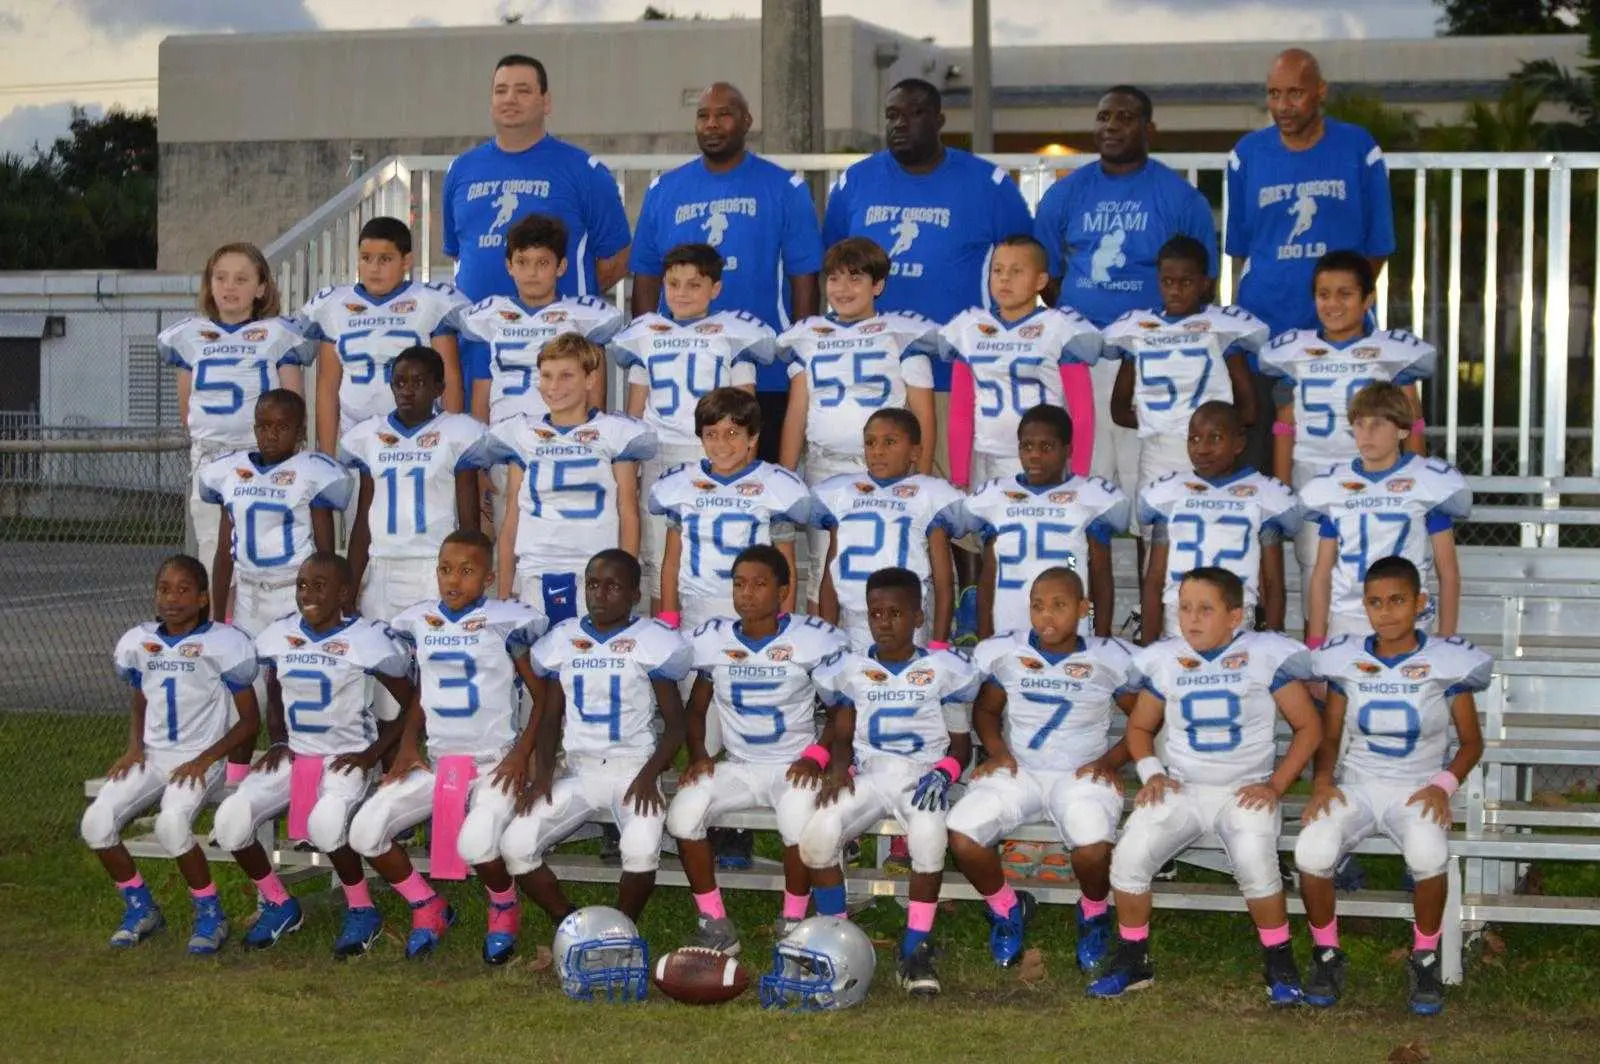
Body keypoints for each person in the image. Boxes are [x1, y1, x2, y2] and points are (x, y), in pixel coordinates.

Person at [1087, 567, 1321, 1003]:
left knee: (1255, 859)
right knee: (1129, 856)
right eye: (1186, 608)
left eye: (1205, 610)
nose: (1191, 619)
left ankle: (1280, 962)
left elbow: (1309, 727)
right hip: (1184, 787)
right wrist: (1153, 773)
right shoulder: (1165, 658)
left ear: (1236, 616)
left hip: (1245, 789)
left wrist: (1275, 786)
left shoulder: (1263, 654)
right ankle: (1134, 958)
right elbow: (1139, 729)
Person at [1295, 556, 1491, 1016]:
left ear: (1420, 603)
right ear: (1365, 606)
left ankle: (1424, 958)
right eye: (1376, 603)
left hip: (1417, 786)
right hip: (1359, 785)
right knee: (1311, 852)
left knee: (1428, 856)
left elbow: (1471, 742)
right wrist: (1322, 781)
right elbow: (1329, 735)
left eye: (1398, 601)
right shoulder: (1349, 661)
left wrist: (1443, 785)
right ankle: (1326, 955)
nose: (1386, 612)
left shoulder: (1445, 664)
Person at [350, 530, 548, 963]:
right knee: (365, 831)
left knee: (476, 843)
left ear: (489, 577)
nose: (453, 580)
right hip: (440, 762)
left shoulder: (505, 621)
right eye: (444, 570)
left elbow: (544, 695)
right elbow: (425, 690)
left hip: (492, 761)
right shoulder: (420, 620)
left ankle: (503, 907)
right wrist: (406, 744)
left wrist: (522, 754)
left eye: (466, 571)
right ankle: (428, 906)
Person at [823, 77, 1034, 459]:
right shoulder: (856, 181)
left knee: (945, 490)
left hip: (952, 372)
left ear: (939, 120)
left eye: (914, 113)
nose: (900, 123)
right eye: (892, 115)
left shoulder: (987, 184)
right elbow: (835, 265)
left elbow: (1026, 269)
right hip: (870, 372)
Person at [213, 553, 415, 952]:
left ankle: (361, 910)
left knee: (326, 824)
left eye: (320, 585)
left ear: (343, 593)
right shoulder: (279, 634)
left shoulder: (367, 639)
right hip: (297, 756)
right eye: (302, 584)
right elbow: (275, 688)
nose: (308, 593)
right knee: (230, 821)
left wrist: (372, 754)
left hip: (346, 759)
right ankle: (279, 902)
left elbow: (412, 706)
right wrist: (278, 740)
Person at [1035, 85, 1219, 504]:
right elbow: (1047, 276)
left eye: (1124, 117)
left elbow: (1202, 283)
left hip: (1150, 360)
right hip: (1084, 360)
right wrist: (1084, 320)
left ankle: (1154, 571)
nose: (1111, 126)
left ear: (1148, 128)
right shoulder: (1066, 193)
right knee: (1084, 484)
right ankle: (1072, 568)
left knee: (1148, 486)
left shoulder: (1180, 198)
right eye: (1103, 117)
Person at [803, 567, 981, 997]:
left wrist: (946, 773)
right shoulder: (853, 668)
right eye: (875, 613)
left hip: (923, 777)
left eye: (895, 613)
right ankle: (838, 941)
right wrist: (836, 767)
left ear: (918, 618)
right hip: (870, 774)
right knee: (818, 835)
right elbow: (843, 734)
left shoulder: (943, 670)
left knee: (928, 837)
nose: (883, 622)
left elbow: (962, 747)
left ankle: (915, 945)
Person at [952, 568, 1137, 970]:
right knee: (964, 835)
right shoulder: (1013, 653)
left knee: (1091, 850)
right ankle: (1006, 908)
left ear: (1083, 608)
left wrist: (1111, 761)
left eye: (1059, 605)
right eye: (1038, 606)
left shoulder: (1106, 658)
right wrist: (997, 751)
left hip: (1079, 775)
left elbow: (1143, 721)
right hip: (1022, 770)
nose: (1047, 616)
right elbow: (986, 710)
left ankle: (1093, 912)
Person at [667, 546, 850, 954]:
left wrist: (817, 757)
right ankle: (714, 921)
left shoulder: (809, 639)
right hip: (740, 765)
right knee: (682, 816)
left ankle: (792, 917)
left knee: (795, 821)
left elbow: (841, 709)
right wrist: (699, 756)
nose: (747, 593)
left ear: (783, 591)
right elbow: (696, 709)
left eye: (759, 584)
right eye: (739, 584)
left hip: (793, 765)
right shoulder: (714, 641)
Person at [630, 82, 824, 462]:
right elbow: (646, 277)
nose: (712, 124)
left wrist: (801, 357)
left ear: (747, 121)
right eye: (703, 115)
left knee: (754, 490)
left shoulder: (784, 187)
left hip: (764, 374)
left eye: (724, 114)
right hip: (685, 373)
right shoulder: (665, 189)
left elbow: (805, 279)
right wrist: (647, 350)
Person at [500, 550, 692, 923]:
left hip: (632, 768)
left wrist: (650, 775)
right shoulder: (565, 639)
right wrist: (542, 777)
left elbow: (676, 726)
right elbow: (551, 717)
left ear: (635, 595)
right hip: (580, 770)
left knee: (641, 850)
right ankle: (571, 921)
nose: (599, 594)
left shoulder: (650, 639)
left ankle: (619, 929)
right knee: (515, 845)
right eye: (592, 585)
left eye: (612, 586)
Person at [1227, 49, 1396, 469]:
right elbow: (1243, 251)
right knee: (1262, 472)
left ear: (1321, 92)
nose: (1283, 106)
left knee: (1351, 463)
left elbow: (1377, 246)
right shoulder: (1246, 155)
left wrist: (1342, 310)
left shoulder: (1359, 148)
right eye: (1274, 94)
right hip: (1265, 342)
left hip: (1341, 346)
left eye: (1295, 94)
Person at [85, 554, 261, 953]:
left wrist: (204, 760)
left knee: (171, 824)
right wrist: (134, 747)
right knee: (96, 822)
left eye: (184, 590)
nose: (172, 598)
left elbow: (250, 721)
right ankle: (141, 907)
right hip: (153, 756)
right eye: (164, 589)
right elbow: (141, 698)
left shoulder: (223, 644)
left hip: (202, 757)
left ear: (203, 598)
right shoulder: (140, 641)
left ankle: (211, 913)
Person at [777, 236, 941, 611]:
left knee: (889, 563)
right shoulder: (810, 336)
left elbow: (923, 414)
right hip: (825, 465)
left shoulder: (901, 336)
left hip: (890, 472)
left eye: (855, 278)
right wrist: (786, 475)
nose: (843, 289)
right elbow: (797, 410)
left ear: (878, 285)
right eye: (834, 279)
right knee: (824, 569)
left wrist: (923, 475)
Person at [611, 243, 777, 605]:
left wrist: (745, 469)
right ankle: (665, 632)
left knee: (723, 550)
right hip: (660, 455)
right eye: (673, 284)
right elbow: (635, 412)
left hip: (718, 457)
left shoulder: (731, 334)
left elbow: (747, 410)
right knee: (659, 559)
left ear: (714, 289)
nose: (681, 293)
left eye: (693, 285)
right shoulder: (646, 333)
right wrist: (633, 466)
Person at [1260, 252, 1433, 590]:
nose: (1333, 304)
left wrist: (1416, 478)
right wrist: (1281, 489)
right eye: (1324, 294)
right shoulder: (1294, 351)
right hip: (1312, 473)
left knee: (1377, 571)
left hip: (1375, 477)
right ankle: (1319, 642)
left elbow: (1412, 422)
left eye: (1345, 294)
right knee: (1315, 574)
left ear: (1368, 298)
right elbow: (1284, 426)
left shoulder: (1390, 352)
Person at [162, 242, 313, 596]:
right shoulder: (188, 336)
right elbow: (188, 410)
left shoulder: (279, 334)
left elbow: (294, 406)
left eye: (242, 279)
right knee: (214, 556)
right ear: (209, 283)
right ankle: (225, 636)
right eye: (221, 278)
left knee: (268, 556)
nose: (230, 287)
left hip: (263, 459)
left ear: (261, 288)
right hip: (212, 457)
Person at [479, 334, 656, 623]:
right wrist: (504, 591)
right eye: (546, 376)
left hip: (595, 573)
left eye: (566, 376)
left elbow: (628, 511)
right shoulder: (522, 432)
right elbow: (512, 515)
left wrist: (624, 581)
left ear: (590, 379)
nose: (553, 386)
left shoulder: (615, 432)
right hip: (535, 569)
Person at [442, 54, 630, 303]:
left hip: (558, 336)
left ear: (546, 102)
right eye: (501, 91)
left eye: (523, 91)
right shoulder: (461, 169)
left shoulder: (584, 170)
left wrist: (567, 301)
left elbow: (618, 258)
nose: (510, 99)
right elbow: (459, 252)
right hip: (478, 337)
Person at [340, 345, 485, 657]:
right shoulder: (370, 436)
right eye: (400, 382)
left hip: (434, 568)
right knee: (385, 681)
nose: (407, 390)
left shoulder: (457, 432)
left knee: (434, 669)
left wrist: (469, 579)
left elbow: (470, 522)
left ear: (438, 388)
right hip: (383, 567)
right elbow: (364, 518)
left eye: (418, 382)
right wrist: (349, 588)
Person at [1301, 381, 1470, 643]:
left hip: (1408, 618)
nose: (1366, 432)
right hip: (1349, 617)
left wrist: (1447, 637)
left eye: (1378, 424)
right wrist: (1315, 641)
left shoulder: (1427, 481)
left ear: (1402, 430)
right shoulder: (1333, 486)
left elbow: (1448, 572)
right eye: (1359, 424)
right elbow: (1322, 573)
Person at [1106, 235, 1267, 499]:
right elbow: (1118, 409)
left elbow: (1248, 411)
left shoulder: (1221, 328)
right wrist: (1158, 422)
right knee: (1151, 526)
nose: (1175, 290)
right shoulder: (1137, 329)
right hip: (1157, 449)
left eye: (1186, 282)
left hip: (1212, 453)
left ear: (1205, 283)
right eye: (1167, 282)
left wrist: (1215, 434)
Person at [941, 234, 1103, 489]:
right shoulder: (969, 327)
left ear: (1040, 280)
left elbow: (1082, 413)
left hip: (1046, 462)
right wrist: (959, 476)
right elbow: (960, 411)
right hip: (986, 457)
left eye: (1017, 271)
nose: (1005, 278)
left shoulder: (1059, 328)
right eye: (997, 270)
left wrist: (1079, 476)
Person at [298, 216, 470, 451]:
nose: (374, 268)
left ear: (406, 261)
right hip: (356, 435)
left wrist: (453, 445)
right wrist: (327, 453)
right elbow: (328, 385)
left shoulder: (430, 301)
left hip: (421, 435)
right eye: (366, 259)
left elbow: (450, 377)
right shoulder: (334, 304)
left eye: (385, 259)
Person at [961, 404, 1130, 640]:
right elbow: (989, 574)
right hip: (1007, 625)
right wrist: (985, 636)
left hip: (1069, 631)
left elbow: (1101, 574)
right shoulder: (996, 495)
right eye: (1026, 446)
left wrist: (1101, 638)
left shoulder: (1089, 495)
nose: (1034, 455)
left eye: (1046, 447)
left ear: (1068, 449)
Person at [650, 388, 812, 632]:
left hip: (757, 611)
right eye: (711, 434)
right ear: (701, 437)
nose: (721, 443)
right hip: (696, 610)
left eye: (733, 433)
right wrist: (669, 617)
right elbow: (671, 561)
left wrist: (783, 621)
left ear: (753, 437)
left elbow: (786, 565)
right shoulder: (682, 483)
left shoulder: (773, 485)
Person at [1138, 402, 1301, 641]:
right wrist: (1147, 646)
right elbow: (1154, 580)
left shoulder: (1265, 494)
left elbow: (1272, 583)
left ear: (1239, 443)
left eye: (1215, 438)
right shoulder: (1169, 492)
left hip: (1236, 627)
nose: (1202, 449)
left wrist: (1273, 642)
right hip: (1178, 627)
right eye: (1193, 439)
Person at [199, 391, 350, 645]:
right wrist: (217, 616)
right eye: (265, 426)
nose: (272, 435)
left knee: (291, 678)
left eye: (282, 427)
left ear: (300, 432)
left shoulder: (312, 471)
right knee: (250, 679)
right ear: (255, 428)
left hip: (296, 593)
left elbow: (326, 556)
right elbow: (224, 551)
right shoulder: (230, 472)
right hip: (249, 598)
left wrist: (330, 607)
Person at [811, 408, 966, 650]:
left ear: (915, 451)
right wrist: (826, 636)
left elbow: (944, 582)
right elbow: (832, 572)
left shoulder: (929, 495)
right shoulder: (842, 492)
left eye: (890, 442)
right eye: (870, 442)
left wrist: (939, 643)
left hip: (909, 624)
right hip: (855, 621)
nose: (878, 450)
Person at [457, 212, 625, 426]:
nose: (532, 272)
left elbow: (594, 393)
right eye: (522, 262)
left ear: (561, 267)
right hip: (505, 438)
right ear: (509, 266)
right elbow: (483, 386)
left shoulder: (581, 317)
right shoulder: (491, 315)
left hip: (561, 439)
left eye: (542, 262)